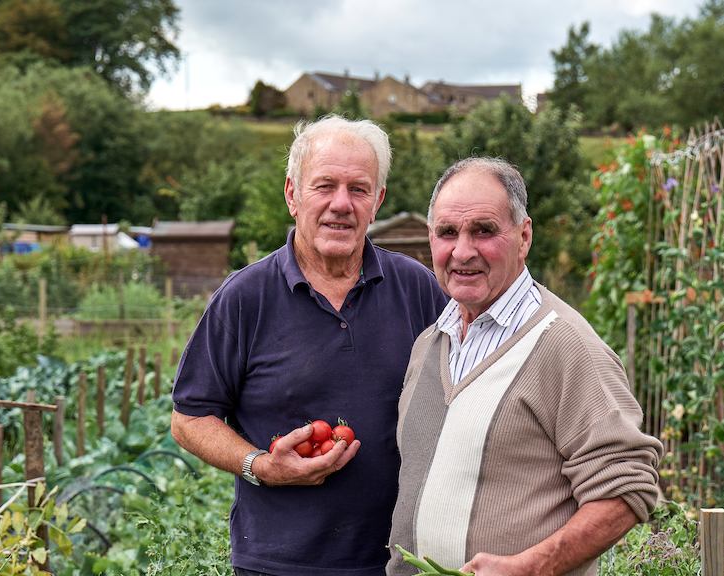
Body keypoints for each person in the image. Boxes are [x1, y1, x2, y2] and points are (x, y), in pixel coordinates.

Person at [171, 115, 448, 576]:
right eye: (324, 186)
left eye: (358, 189)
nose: (342, 204)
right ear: (292, 195)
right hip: (277, 562)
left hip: (401, 560)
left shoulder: (416, 288)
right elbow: (189, 419)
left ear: (377, 202)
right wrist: (259, 465)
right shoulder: (245, 298)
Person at [386, 157, 663, 576]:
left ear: (523, 236)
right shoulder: (429, 344)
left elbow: (628, 487)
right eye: (447, 233)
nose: (463, 251)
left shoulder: (564, 345)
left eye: (484, 230)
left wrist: (532, 566)